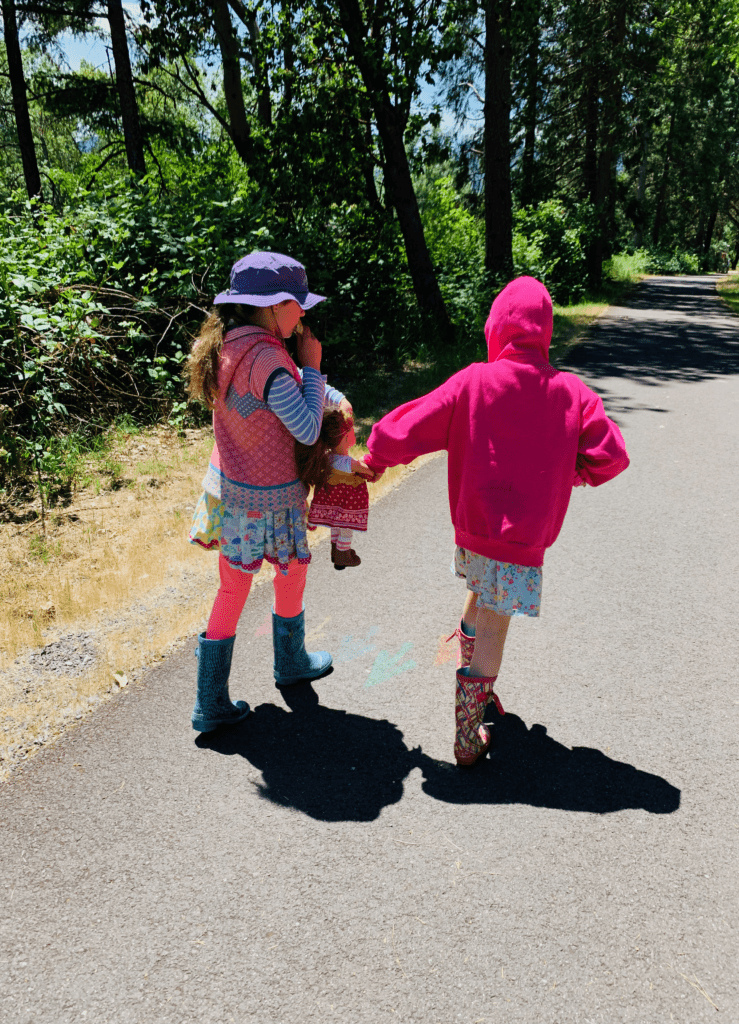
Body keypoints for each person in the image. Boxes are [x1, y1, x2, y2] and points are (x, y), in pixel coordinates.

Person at [362, 276, 630, 767]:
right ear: (545, 333)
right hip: (520, 543)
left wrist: (376, 454)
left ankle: (474, 682)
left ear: (497, 329)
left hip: (475, 529)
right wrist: (576, 471)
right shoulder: (571, 394)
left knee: (481, 594)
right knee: (494, 632)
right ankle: (468, 736)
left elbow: (413, 423)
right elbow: (610, 455)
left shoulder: (472, 382)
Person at [186, 251, 351, 732]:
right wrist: (313, 367)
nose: (304, 314)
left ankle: (210, 701)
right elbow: (303, 427)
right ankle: (291, 661)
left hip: (235, 497)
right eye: (298, 305)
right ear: (275, 306)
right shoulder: (268, 359)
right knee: (292, 571)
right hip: (274, 502)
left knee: (231, 589)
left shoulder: (229, 347)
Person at [296, 408, 372, 569]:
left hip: (333, 502)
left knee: (336, 525)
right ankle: (342, 554)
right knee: (346, 528)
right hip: (346, 504)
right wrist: (368, 463)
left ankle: (335, 550)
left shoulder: (328, 458)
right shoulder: (347, 462)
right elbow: (368, 471)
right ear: (345, 438)